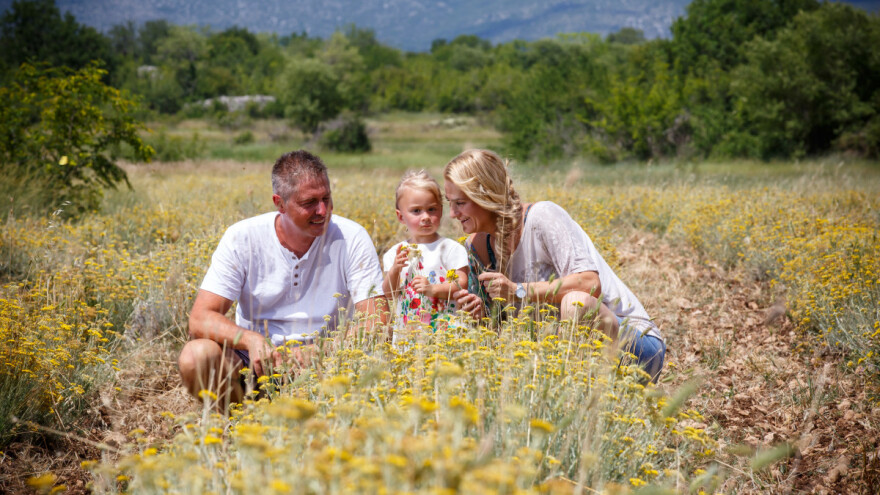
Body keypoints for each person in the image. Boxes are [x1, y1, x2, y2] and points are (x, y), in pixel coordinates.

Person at [178, 150, 387, 409]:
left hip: (328, 362)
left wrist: (319, 352)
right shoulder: (242, 238)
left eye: (326, 198)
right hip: (254, 363)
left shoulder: (351, 237)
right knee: (195, 357)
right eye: (309, 202)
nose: (322, 210)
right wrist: (251, 341)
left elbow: (378, 321)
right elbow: (200, 318)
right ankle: (238, 422)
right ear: (280, 203)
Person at [443, 149, 665, 381]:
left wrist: (518, 291)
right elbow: (497, 333)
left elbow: (590, 284)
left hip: (636, 350)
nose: (452, 213)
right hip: (562, 357)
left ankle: (576, 395)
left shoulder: (542, 217)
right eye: (449, 203)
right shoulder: (475, 248)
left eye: (460, 203)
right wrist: (479, 315)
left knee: (576, 303)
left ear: (485, 195)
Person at [382, 170, 468, 340]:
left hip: (445, 332)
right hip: (408, 335)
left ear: (441, 211)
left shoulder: (451, 248)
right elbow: (389, 294)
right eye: (416, 211)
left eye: (431, 209)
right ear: (400, 216)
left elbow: (461, 284)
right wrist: (394, 270)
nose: (426, 217)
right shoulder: (395, 253)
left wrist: (432, 289)